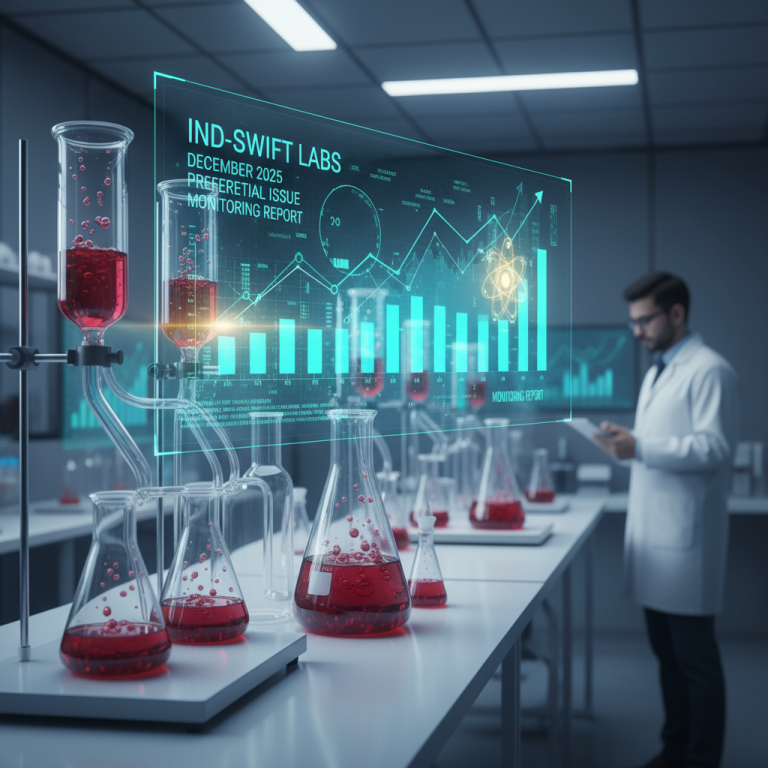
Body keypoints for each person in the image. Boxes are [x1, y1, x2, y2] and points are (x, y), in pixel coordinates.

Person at [594, 272, 740, 768]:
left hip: (686, 543)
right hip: (658, 541)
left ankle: (701, 759)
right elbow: (671, 439)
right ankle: (674, 748)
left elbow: (715, 447)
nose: (636, 331)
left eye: (644, 320)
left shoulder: (709, 370)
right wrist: (630, 439)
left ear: (676, 313)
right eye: (632, 322)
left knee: (695, 662)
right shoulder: (662, 369)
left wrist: (642, 446)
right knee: (668, 656)